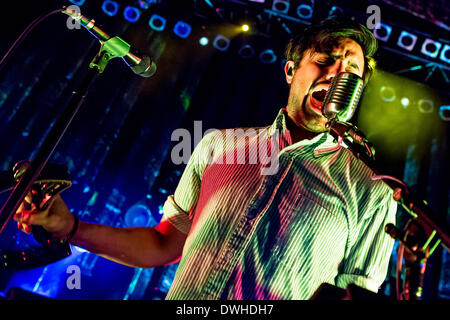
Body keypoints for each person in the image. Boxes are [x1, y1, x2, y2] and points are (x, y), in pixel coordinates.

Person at [14, 18, 397, 300]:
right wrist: (69, 228)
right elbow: (163, 245)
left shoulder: (373, 189)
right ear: (291, 70)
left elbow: (356, 293)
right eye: (326, 60)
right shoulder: (218, 146)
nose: (336, 75)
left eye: (351, 71)